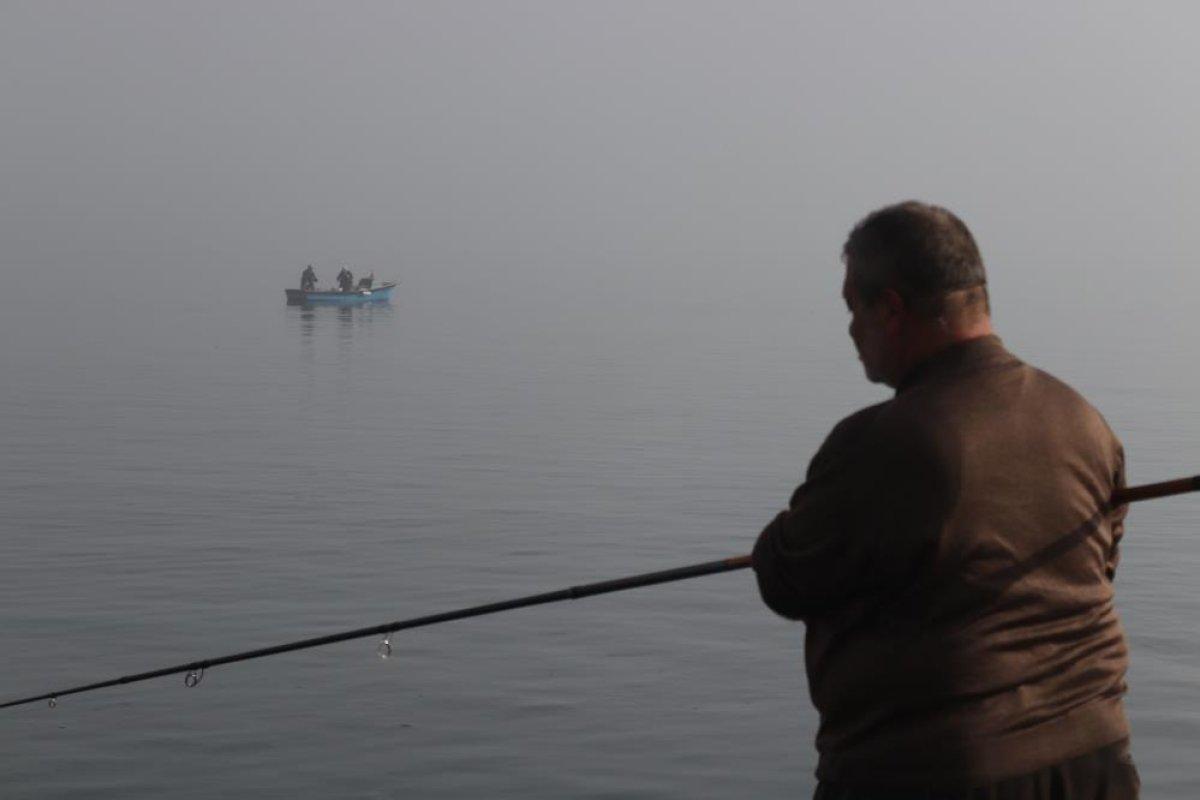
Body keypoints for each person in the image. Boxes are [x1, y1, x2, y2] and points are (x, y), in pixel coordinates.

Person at [752, 201, 1136, 798]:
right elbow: (1100, 562)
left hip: (934, 773)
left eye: (854, 307)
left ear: (893, 309)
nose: (852, 329)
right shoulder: (1083, 419)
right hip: (1096, 760)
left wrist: (775, 539)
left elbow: (787, 579)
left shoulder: (881, 443)